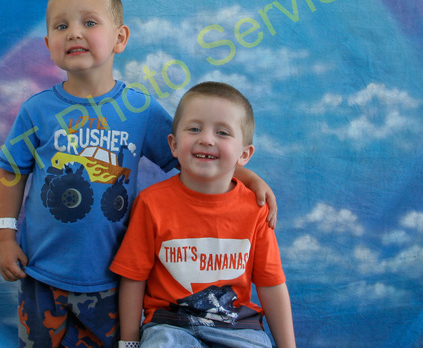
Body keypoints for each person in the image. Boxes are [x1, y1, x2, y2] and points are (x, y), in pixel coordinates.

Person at [0, 0, 277, 347]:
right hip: (41, 272)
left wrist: (247, 176)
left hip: (111, 279)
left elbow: (189, 157)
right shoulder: (37, 110)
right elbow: (12, 172)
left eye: (89, 23)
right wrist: (4, 236)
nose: (74, 32)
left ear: (120, 38)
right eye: (61, 26)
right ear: (49, 45)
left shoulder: (140, 109)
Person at [110, 81, 296, 348]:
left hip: (238, 328)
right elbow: (133, 277)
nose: (206, 139)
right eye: (195, 129)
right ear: (174, 145)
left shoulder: (255, 208)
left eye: (222, 132)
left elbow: (271, 285)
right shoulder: (151, 204)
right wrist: (129, 343)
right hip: (170, 326)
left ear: (244, 154)